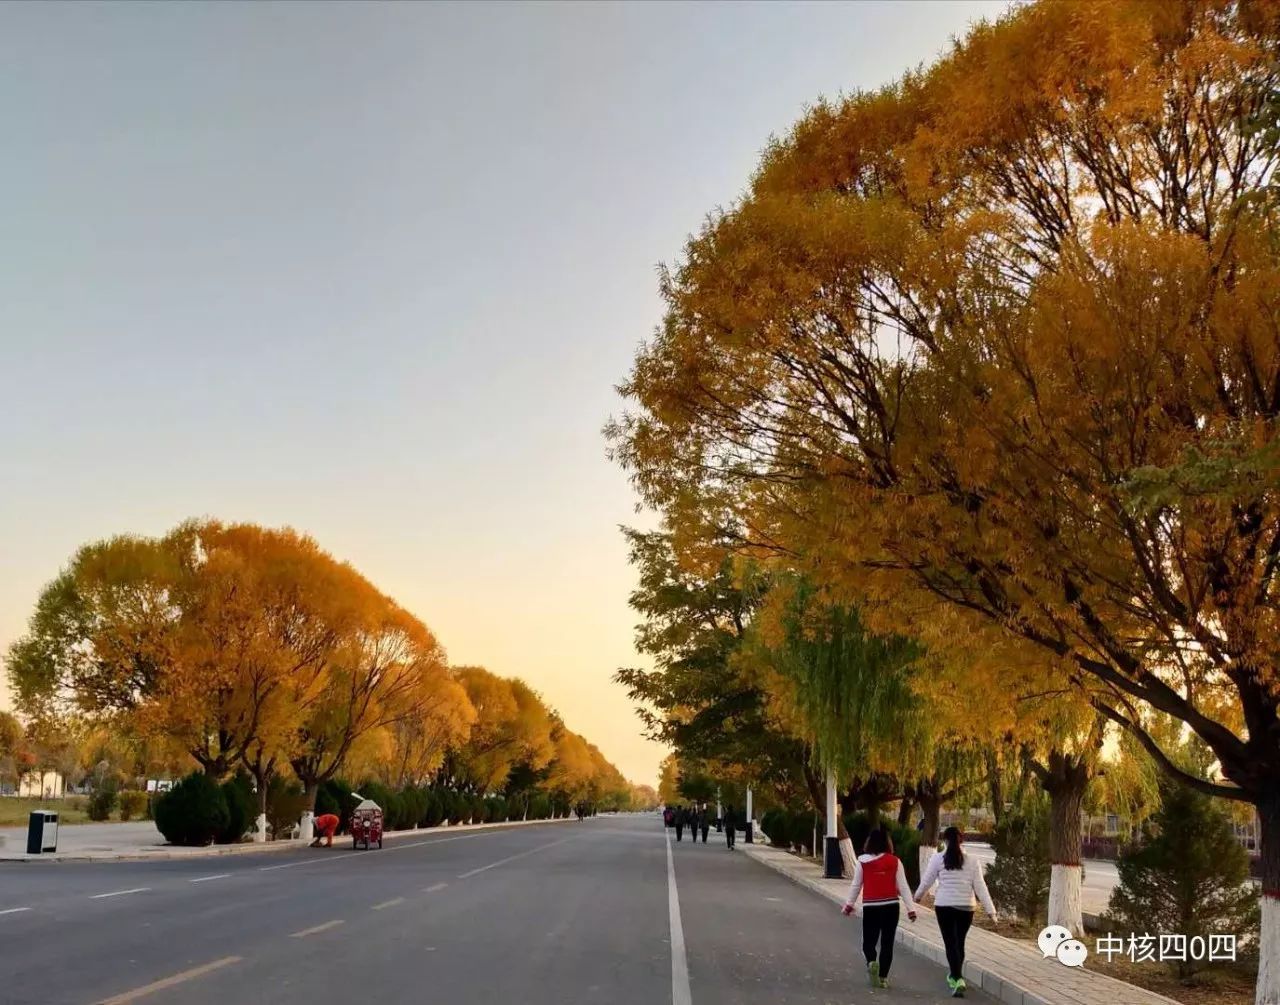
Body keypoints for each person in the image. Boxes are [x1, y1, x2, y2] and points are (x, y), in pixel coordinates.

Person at [914, 826, 998, 998]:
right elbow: (980, 887)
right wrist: (991, 911)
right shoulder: (972, 861)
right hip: (966, 907)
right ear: (962, 840)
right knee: (959, 942)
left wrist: (917, 896)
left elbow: (927, 880)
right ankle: (955, 976)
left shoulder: (937, 858)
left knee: (950, 943)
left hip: (944, 906)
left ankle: (957, 978)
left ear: (944, 840)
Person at [841, 828, 917, 989]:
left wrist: (849, 905)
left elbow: (856, 885)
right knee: (887, 943)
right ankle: (883, 978)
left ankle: (871, 961)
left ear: (869, 843)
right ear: (887, 843)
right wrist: (911, 909)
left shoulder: (862, 862)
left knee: (868, 942)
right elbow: (903, 887)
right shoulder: (895, 861)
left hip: (871, 907)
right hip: (891, 907)